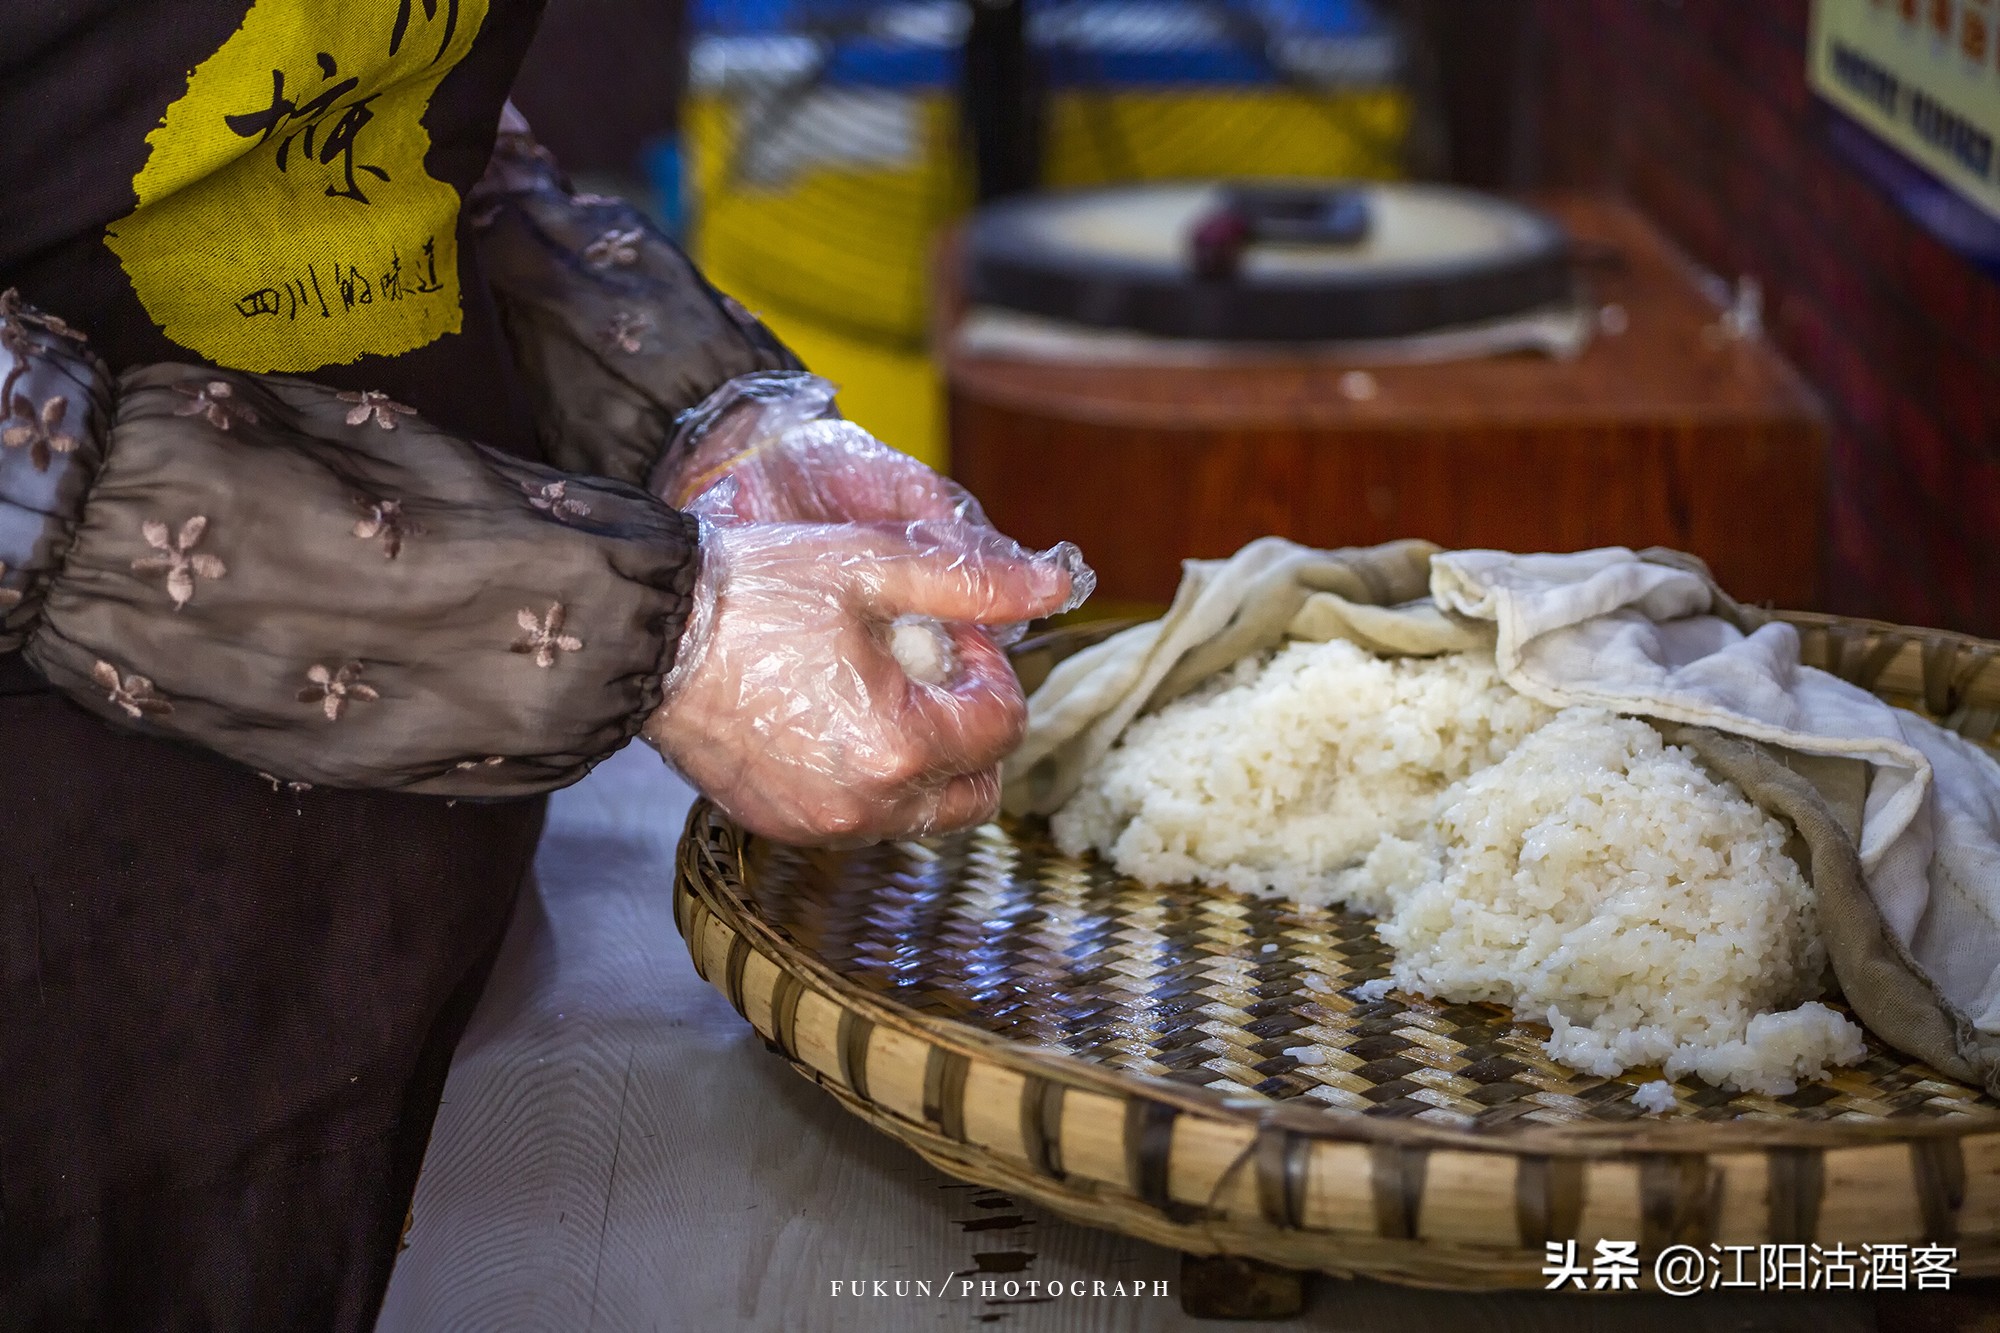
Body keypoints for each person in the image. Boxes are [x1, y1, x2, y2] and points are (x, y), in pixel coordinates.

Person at [0, 5, 1085, 1329]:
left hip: (402, 907)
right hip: (69, 989)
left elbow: (362, 113)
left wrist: (702, 423)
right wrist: (659, 629)